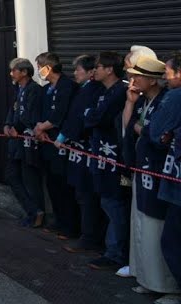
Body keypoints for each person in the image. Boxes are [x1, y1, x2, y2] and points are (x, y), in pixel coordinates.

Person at [120, 52, 179, 298]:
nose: (132, 80)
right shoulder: (144, 101)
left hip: (157, 173)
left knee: (157, 228)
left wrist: (139, 128)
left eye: (137, 77)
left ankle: (166, 285)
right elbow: (128, 127)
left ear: (152, 80)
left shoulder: (166, 101)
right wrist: (131, 103)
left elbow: (156, 134)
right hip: (141, 170)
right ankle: (145, 277)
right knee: (141, 225)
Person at [149, 51, 181, 304]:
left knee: (175, 242)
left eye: (167, 74)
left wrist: (165, 133)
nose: (164, 79)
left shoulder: (178, 96)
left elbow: (155, 132)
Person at [84, 51, 132, 271]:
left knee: (115, 204)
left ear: (110, 69)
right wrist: (92, 116)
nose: (95, 70)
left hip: (115, 159)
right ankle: (110, 249)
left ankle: (115, 254)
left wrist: (92, 116)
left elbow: (99, 118)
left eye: (99, 66)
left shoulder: (120, 91)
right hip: (101, 156)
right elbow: (90, 117)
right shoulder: (103, 92)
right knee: (106, 202)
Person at [57, 54, 109, 254]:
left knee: (87, 194)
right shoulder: (83, 90)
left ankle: (90, 238)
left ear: (90, 72)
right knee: (81, 193)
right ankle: (85, 234)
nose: (75, 73)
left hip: (87, 149)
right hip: (77, 149)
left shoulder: (94, 91)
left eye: (79, 69)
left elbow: (80, 119)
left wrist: (63, 137)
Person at [32, 52, 78, 237]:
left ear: (48, 68)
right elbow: (40, 112)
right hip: (46, 143)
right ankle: (58, 221)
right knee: (52, 185)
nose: (38, 71)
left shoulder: (68, 86)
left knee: (64, 186)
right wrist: (39, 128)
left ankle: (71, 226)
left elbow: (61, 114)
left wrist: (43, 126)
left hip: (61, 143)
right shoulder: (46, 89)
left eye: (39, 67)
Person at [5, 57, 45, 228]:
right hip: (15, 140)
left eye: (14, 70)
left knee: (30, 179)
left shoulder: (34, 90)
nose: (11, 73)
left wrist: (17, 128)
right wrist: (8, 124)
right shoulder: (18, 89)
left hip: (27, 139)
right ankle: (32, 210)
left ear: (24, 72)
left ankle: (38, 213)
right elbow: (12, 110)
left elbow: (30, 115)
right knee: (12, 176)